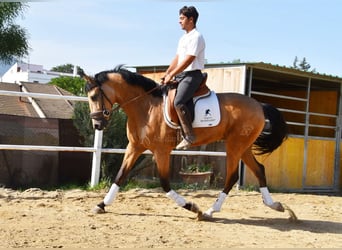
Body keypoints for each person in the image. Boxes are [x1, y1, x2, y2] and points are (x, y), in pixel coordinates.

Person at [161, 6, 206, 150]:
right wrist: (167, 73)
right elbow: (178, 58)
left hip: (192, 75)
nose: (179, 21)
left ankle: (189, 135)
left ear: (191, 19)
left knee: (179, 102)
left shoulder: (197, 37)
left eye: (182, 18)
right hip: (181, 75)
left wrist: (172, 74)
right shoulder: (183, 38)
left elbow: (188, 60)